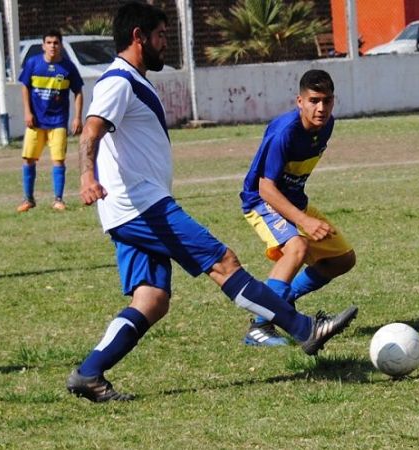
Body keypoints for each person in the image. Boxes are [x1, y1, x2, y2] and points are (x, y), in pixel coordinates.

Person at [66, 2, 358, 403]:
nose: (165, 43)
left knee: (152, 300)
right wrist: (86, 175)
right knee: (224, 263)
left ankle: (89, 373)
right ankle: (304, 329)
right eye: (161, 36)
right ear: (139, 36)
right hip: (141, 207)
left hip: (129, 208)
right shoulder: (118, 81)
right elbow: (91, 130)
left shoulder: (133, 79)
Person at [239, 69, 356, 347]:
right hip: (261, 201)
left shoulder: (327, 125)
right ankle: (259, 327)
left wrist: (302, 214)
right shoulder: (285, 132)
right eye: (314, 100)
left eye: (327, 101)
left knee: (343, 260)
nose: (321, 108)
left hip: (294, 201)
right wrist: (304, 221)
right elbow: (266, 189)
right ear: (299, 101)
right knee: (297, 248)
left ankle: (279, 302)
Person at [17, 30, 83, 212]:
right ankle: (28, 199)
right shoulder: (33, 63)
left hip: (58, 121)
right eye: (49, 42)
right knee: (28, 158)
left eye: (55, 42)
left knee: (58, 160)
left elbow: (78, 91)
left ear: (60, 45)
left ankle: (58, 200)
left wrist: (77, 117)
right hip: (36, 122)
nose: (52, 46)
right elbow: (24, 86)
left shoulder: (68, 67)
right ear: (43, 45)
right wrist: (27, 112)